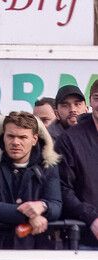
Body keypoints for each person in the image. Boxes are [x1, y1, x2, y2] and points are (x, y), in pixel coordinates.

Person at [0, 111, 61, 249]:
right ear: (3, 136)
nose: (15, 142)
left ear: (34, 139)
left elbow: (56, 205)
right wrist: (30, 216)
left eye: (22, 137)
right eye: (10, 136)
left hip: (37, 248)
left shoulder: (48, 163)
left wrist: (44, 206)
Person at [56, 80, 98, 248]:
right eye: (97, 98)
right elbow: (63, 188)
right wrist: (92, 218)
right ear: (90, 102)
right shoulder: (69, 139)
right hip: (84, 239)